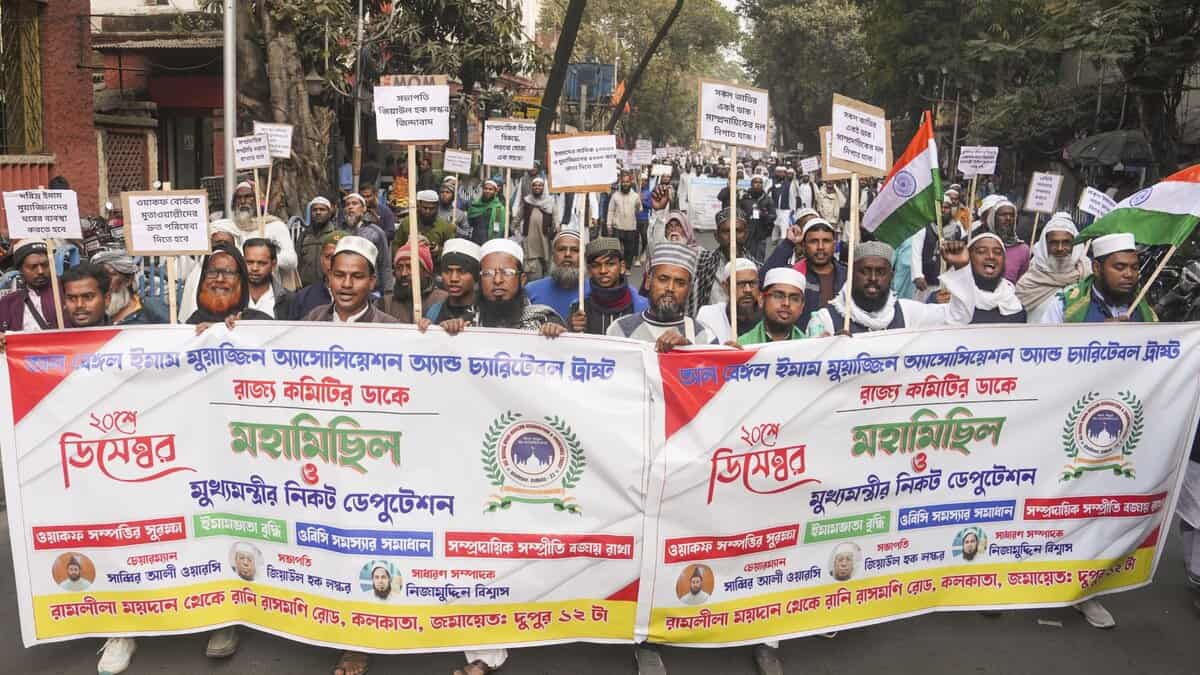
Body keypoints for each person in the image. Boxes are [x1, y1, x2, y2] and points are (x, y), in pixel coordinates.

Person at [806, 240, 974, 336]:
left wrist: (961, 269)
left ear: (891, 276)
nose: (873, 279)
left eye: (880, 272)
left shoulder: (908, 312)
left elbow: (959, 318)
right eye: (864, 271)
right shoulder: (825, 319)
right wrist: (828, 350)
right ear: (850, 275)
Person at [433, 239, 563, 335]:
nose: (497, 280)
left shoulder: (545, 319)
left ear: (522, 280)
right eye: (488, 274)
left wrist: (557, 336)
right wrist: (447, 334)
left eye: (507, 273)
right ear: (480, 280)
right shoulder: (465, 323)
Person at [608, 242, 719, 352]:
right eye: (663, 279)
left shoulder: (704, 335)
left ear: (689, 289)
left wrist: (689, 351)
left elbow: (714, 367)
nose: (670, 288)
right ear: (648, 282)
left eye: (680, 283)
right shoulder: (620, 330)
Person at [1038, 232, 1156, 324]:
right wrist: (1096, 334)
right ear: (1097, 268)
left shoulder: (1143, 307)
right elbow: (1045, 348)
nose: (1129, 274)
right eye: (1120, 267)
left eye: (1134, 267)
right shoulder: (1064, 306)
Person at [762, 213, 844, 332]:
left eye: (826, 241)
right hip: (801, 345)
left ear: (834, 244)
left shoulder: (848, 276)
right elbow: (763, 280)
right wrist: (788, 243)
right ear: (804, 245)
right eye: (814, 241)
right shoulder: (794, 275)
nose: (820, 247)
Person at [930, 232, 1026, 324]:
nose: (991, 256)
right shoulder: (943, 299)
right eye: (981, 251)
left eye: (997, 252)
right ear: (969, 258)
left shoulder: (1015, 308)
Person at [303, 236, 398, 324]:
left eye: (357, 276)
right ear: (330, 277)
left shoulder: (389, 328)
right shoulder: (314, 319)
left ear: (371, 282)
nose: (347, 284)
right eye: (339, 275)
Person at [1015, 213, 1088, 322]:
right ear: (1045, 245)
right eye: (1054, 243)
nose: (1060, 248)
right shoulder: (1028, 283)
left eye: (1066, 242)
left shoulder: (1086, 275)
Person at [566, 237, 648, 334]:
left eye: (610, 264)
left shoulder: (642, 307)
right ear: (589, 270)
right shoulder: (579, 308)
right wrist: (570, 329)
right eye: (596, 265)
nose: (603, 271)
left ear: (622, 267)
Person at [690, 208, 760, 318]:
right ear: (716, 236)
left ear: (746, 235)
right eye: (726, 231)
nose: (733, 237)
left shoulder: (757, 269)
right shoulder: (703, 261)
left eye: (738, 231)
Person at [228, 181, 299, 289]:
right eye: (239, 198)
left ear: (257, 199)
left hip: (270, 290)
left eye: (248, 197)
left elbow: (292, 260)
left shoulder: (275, 225)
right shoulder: (229, 228)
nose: (242, 201)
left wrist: (263, 261)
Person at [186, 243, 274, 326]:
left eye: (228, 273)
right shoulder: (193, 323)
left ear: (241, 280)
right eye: (212, 272)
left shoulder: (256, 320)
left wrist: (241, 327)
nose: (219, 279)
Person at [178, 220, 244, 321]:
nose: (222, 246)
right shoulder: (197, 274)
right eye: (218, 243)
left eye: (226, 243)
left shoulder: (243, 273)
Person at [90, 250, 169, 325]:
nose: (101, 282)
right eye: (96, 277)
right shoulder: (91, 314)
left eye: (108, 275)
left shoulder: (154, 311)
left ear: (128, 280)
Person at [697, 258, 761, 343]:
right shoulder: (710, 315)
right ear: (726, 287)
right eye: (740, 284)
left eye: (752, 283)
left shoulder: (768, 318)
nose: (748, 290)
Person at [526, 229, 585, 321]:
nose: (567, 254)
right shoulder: (531, 290)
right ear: (553, 255)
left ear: (583, 256)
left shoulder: (593, 290)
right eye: (561, 249)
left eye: (575, 250)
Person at [381, 242, 447, 323]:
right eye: (399, 267)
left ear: (426, 272)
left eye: (410, 267)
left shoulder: (444, 301)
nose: (403, 273)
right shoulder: (385, 304)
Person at [739, 267, 808, 344]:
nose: (786, 303)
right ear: (761, 299)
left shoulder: (809, 348)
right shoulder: (743, 346)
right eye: (778, 296)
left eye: (794, 299)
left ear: (802, 306)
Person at [0, 239, 57, 331]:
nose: (40, 271)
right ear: (20, 270)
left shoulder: (64, 293)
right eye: (33, 267)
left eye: (45, 265)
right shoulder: (7, 303)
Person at [340, 193, 392, 292]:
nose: (350, 207)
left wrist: (388, 291)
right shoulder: (339, 233)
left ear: (364, 209)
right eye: (347, 204)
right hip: (345, 286)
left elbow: (385, 264)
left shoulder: (376, 232)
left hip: (371, 290)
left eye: (354, 203)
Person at [288, 231, 344, 320]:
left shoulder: (367, 301)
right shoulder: (303, 298)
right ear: (321, 259)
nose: (333, 263)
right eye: (328, 257)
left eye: (340, 257)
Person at [718, 175, 775, 260]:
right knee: (744, 258)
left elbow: (773, 216)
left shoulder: (767, 199)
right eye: (755, 182)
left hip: (761, 234)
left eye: (760, 182)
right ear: (751, 184)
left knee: (759, 259)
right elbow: (736, 212)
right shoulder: (743, 197)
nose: (758, 184)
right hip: (745, 233)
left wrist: (764, 215)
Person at [425, 239, 481, 324]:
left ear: (475, 276)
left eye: (462, 271)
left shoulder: (485, 312)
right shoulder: (434, 312)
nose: (453, 278)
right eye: (447, 271)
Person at [394, 189, 457, 259]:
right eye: (425, 208)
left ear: (437, 208)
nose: (428, 211)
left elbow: (451, 251)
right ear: (419, 206)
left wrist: (438, 250)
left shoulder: (446, 226)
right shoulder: (407, 223)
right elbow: (396, 246)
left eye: (431, 208)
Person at [517, 177, 558, 279]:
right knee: (532, 267)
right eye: (535, 185)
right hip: (530, 238)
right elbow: (518, 217)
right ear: (531, 187)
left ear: (544, 187)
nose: (537, 187)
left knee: (547, 262)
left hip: (545, 237)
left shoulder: (550, 201)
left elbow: (556, 217)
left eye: (540, 185)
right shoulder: (527, 200)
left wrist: (556, 227)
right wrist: (516, 232)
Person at [243, 238, 294, 320]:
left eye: (261, 263)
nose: (254, 268)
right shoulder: (232, 296)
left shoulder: (289, 301)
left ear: (273, 264)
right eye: (249, 262)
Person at [985, 198, 1029, 282]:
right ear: (993, 219)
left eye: (1012, 215)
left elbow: (1021, 283)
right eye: (1003, 215)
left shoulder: (1023, 250)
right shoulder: (981, 244)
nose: (1008, 218)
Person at [297, 196, 338, 287]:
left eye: (322, 209)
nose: (318, 212)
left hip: (328, 285)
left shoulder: (335, 235)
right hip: (306, 287)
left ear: (329, 213)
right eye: (314, 210)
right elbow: (298, 260)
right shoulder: (304, 235)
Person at [608, 171, 644, 269]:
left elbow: (640, 210)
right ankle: (618, 266)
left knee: (629, 250)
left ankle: (627, 267)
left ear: (630, 182)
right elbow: (610, 210)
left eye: (627, 182)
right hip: (617, 226)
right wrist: (609, 225)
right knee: (617, 249)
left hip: (630, 227)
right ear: (620, 183)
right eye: (623, 182)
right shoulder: (615, 195)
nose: (625, 184)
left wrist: (639, 204)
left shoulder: (635, 196)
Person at [61, 263, 111, 328]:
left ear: (107, 299)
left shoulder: (125, 336)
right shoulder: (54, 337)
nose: (79, 305)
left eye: (88, 297)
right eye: (72, 298)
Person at [467, 180, 508, 244]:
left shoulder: (498, 209)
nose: (487, 191)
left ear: (495, 192)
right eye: (485, 188)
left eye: (490, 189)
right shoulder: (475, 206)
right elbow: (469, 223)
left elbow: (497, 229)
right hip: (474, 242)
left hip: (489, 244)